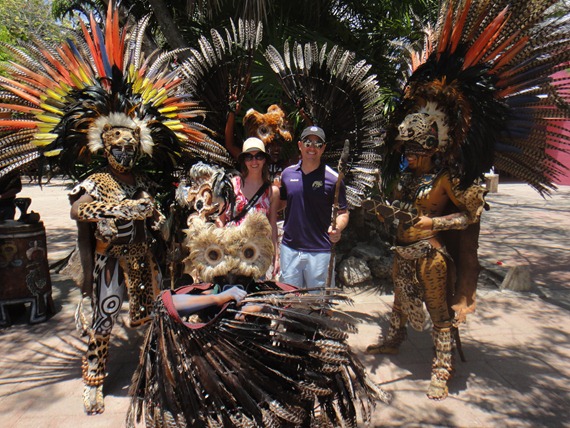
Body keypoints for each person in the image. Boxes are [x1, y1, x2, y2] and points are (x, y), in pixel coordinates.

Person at [363, 111, 486, 400]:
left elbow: (470, 215)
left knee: (438, 310)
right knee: (399, 300)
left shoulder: (446, 179)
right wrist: (384, 212)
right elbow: (396, 207)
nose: (408, 156)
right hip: (402, 250)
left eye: (414, 151)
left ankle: (442, 369)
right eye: (407, 150)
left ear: (429, 149)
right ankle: (394, 339)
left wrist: (435, 223)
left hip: (430, 253)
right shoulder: (405, 178)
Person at [69, 116, 165, 415]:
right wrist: (119, 209)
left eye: (130, 149)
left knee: (153, 315)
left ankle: (153, 369)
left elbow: (151, 208)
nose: (124, 154)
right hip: (110, 258)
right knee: (105, 316)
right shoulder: (98, 181)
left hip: (141, 258)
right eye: (119, 149)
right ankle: (94, 378)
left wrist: (156, 215)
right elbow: (77, 210)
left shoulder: (141, 181)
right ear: (107, 149)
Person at [278, 126, 349, 291]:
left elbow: (343, 212)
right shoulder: (287, 175)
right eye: (308, 142)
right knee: (290, 301)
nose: (312, 147)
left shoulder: (334, 179)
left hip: (320, 252)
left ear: (323, 148)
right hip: (290, 249)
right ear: (300, 145)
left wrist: (337, 228)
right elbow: (281, 203)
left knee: (319, 302)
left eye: (318, 144)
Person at [217, 137, 280, 277]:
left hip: (256, 254)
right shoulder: (232, 185)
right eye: (249, 157)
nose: (254, 161)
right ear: (244, 161)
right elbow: (220, 219)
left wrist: (276, 256)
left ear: (264, 159)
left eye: (259, 156)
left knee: (254, 289)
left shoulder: (272, 191)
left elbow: (272, 225)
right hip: (231, 252)